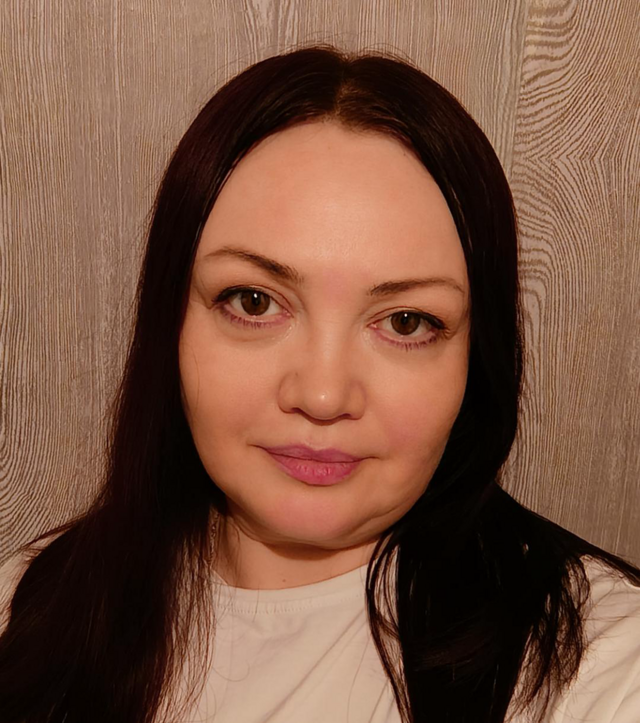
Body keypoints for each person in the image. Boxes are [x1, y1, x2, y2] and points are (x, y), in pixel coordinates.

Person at [0, 43, 639, 723]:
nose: (323, 395)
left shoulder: (597, 662)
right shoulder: (31, 601)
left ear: (476, 359)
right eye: (253, 302)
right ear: (170, 324)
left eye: (406, 321)